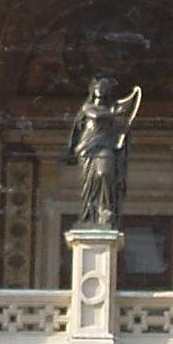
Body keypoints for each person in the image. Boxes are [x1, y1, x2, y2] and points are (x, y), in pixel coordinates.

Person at [65, 76, 142, 229]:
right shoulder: (88, 107)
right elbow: (96, 115)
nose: (100, 90)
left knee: (104, 173)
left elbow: (117, 132)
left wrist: (122, 131)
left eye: (104, 88)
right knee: (91, 181)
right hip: (88, 148)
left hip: (105, 147)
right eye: (98, 87)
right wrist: (116, 113)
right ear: (93, 90)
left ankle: (105, 210)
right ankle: (91, 212)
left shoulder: (111, 112)